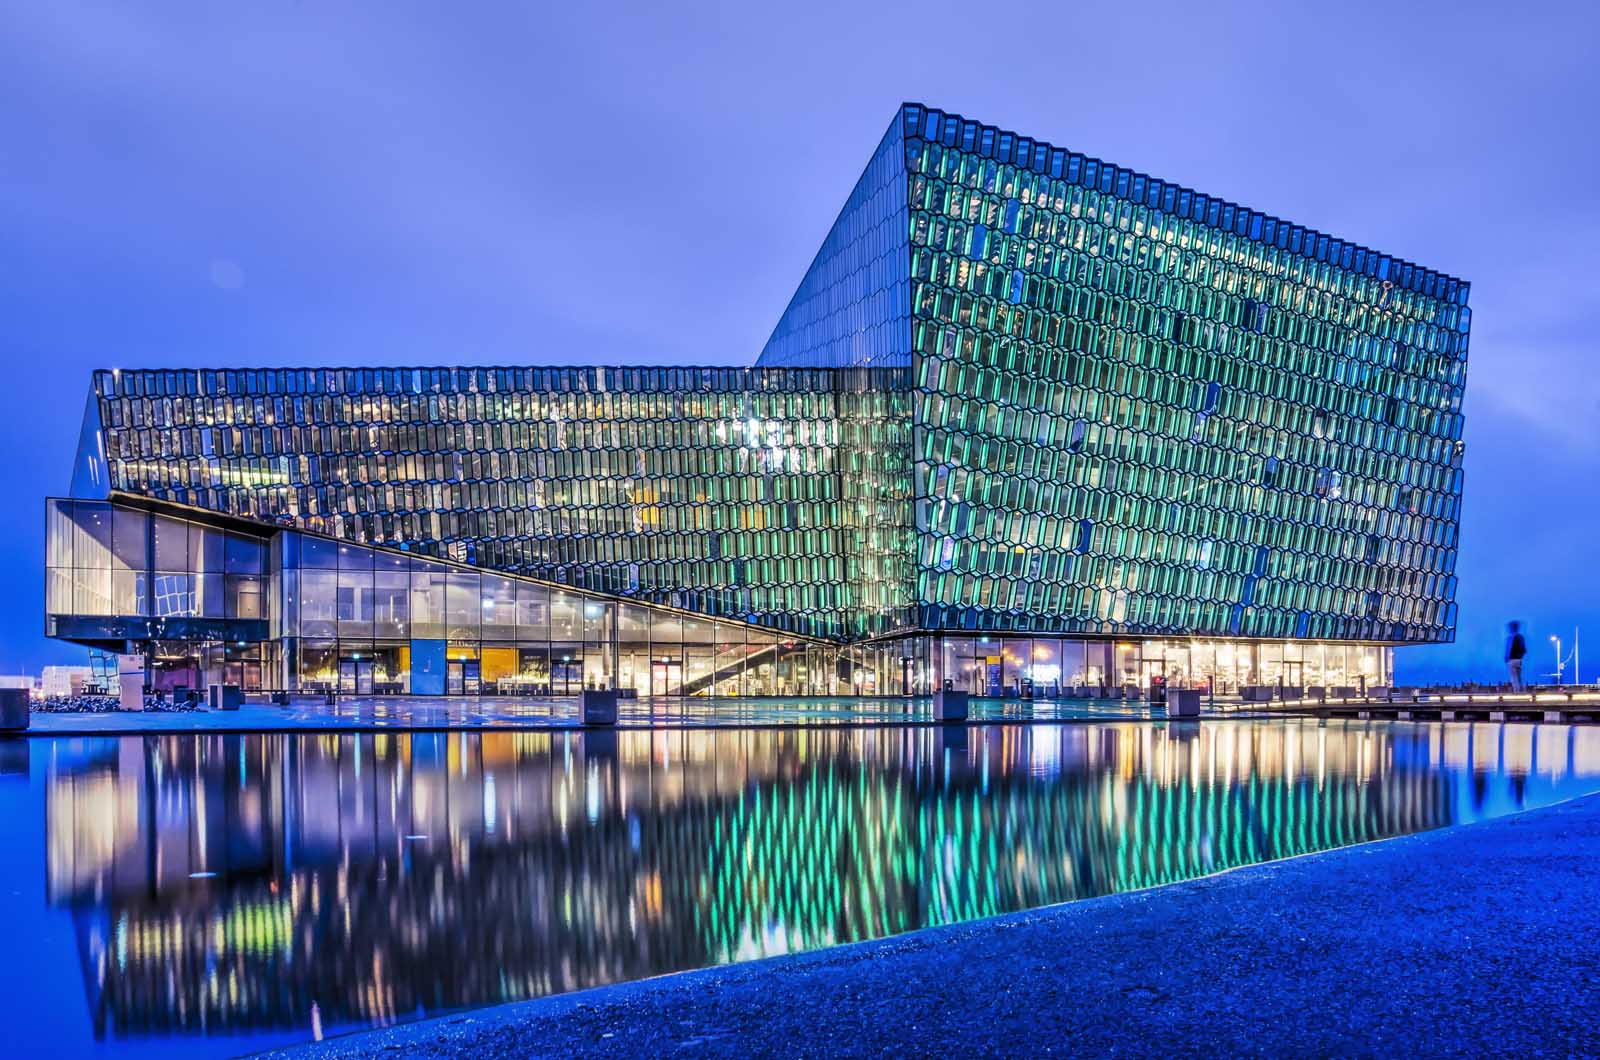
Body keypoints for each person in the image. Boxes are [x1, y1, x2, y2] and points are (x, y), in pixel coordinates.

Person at [1506, 621, 1528, 692]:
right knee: (1519, 677)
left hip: (1512, 659)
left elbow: (1509, 649)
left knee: (1514, 677)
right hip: (1519, 659)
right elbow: (1524, 649)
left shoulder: (1511, 638)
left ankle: (1517, 692)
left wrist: (1507, 657)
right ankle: (1521, 691)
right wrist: (1520, 656)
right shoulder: (1521, 637)